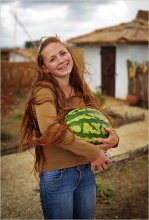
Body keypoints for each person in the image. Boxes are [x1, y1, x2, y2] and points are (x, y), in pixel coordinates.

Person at [20, 36, 119, 220]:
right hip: (58, 177)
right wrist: (93, 152)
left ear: (69, 54)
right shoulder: (43, 91)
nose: (61, 60)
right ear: (44, 68)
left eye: (63, 53)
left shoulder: (79, 89)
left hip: (86, 172)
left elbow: (100, 120)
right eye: (52, 59)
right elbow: (50, 130)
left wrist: (114, 139)